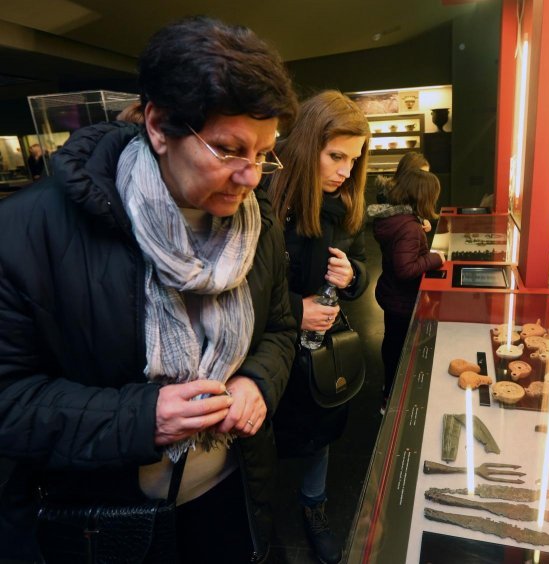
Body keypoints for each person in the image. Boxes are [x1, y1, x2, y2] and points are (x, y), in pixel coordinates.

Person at [0, 16, 298, 563]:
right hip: (101, 521)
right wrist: (141, 418)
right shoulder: (26, 233)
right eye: (229, 150)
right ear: (159, 127)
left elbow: (280, 328)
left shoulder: (260, 225)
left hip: (234, 491)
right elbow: (9, 400)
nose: (251, 177)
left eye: (264, 153)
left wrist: (259, 381)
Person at [266, 90, 370, 564]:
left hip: (322, 349)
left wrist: (353, 277)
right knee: (259, 437)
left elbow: (362, 264)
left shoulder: (345, 203)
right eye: (336, 156)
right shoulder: (262, 201)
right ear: (309, 145)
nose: (346, 170)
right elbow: (234, 290)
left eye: (354, 158)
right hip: (266, 348)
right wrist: (294, 308)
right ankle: (257, 517)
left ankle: (314, 508)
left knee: (318, 435)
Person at [368, 168, 444, 413]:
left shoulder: (397, 219)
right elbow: (406, 268)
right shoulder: (408, 227)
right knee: (399, 350)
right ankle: (391, 399)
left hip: (392, 294)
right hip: (402, 299)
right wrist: (435, 258)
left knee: (392, 345)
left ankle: (387, 393)